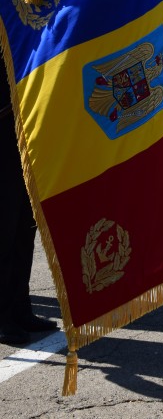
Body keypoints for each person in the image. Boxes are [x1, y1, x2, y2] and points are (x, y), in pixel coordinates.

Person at [0, 55, 58, 346]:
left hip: (21, 122)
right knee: (4, 226)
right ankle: (3, 317)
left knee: (25, 224)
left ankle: (20, 307)